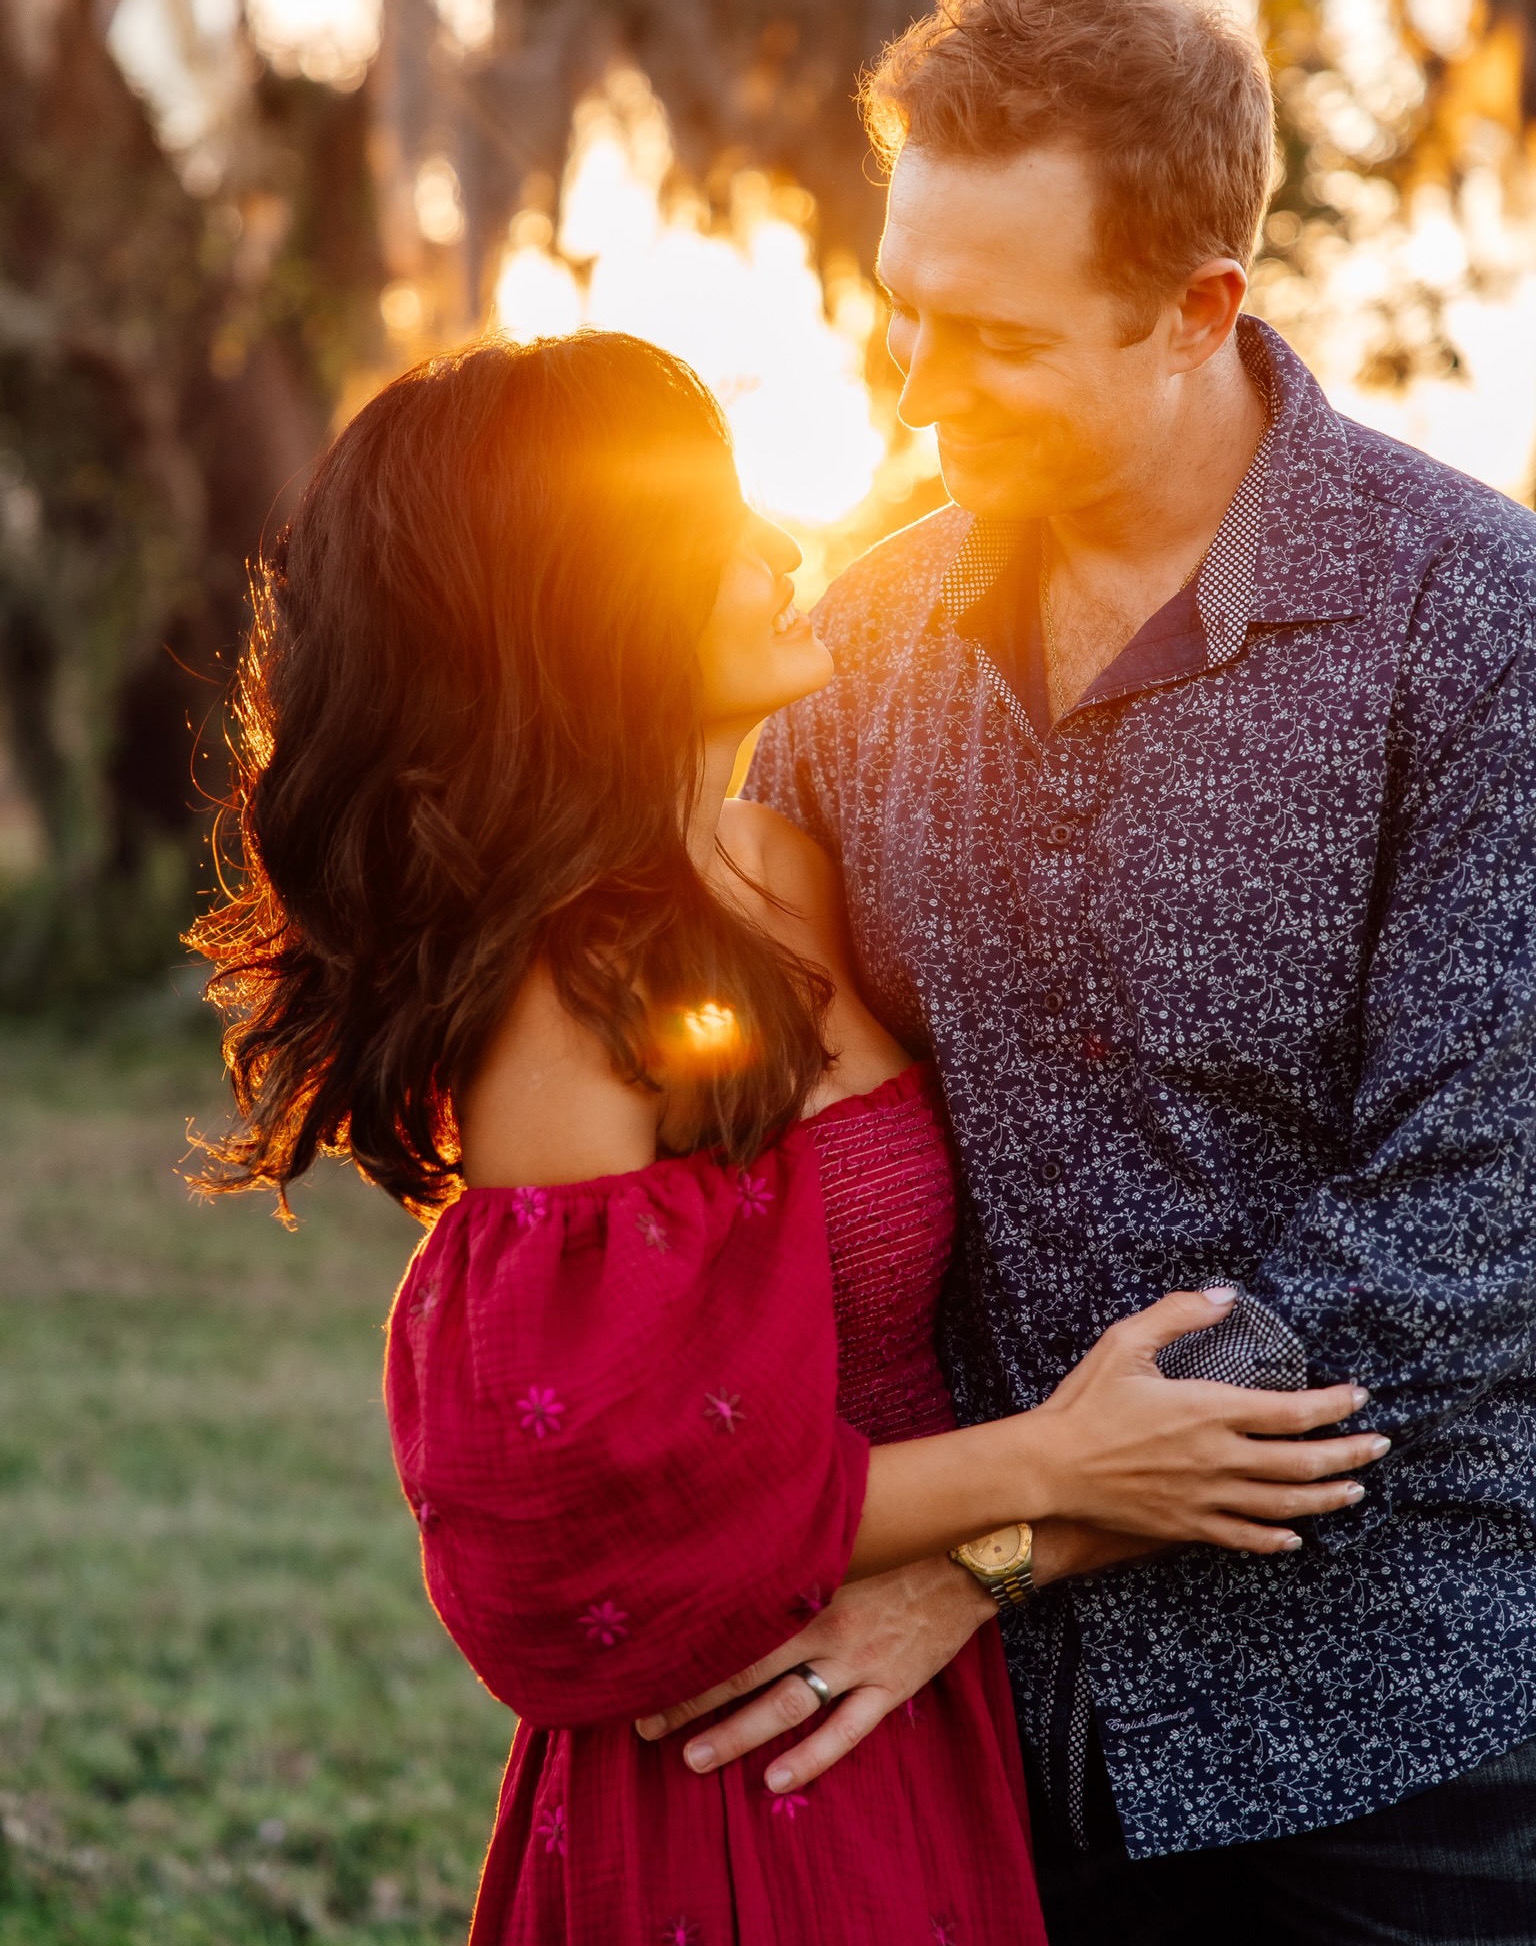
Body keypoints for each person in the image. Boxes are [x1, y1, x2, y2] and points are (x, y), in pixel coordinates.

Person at [187, 332, 1382, 1945]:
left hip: (923, 1705)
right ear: (578, 603)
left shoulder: (781, 865)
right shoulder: (566, 995)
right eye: (708, 531)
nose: (780, 549)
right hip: (748, 1757)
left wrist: (1025, 1536)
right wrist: (1054, 1465)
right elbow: (594, 1504)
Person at [671, 0, 1536, 1941]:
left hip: (1386, 1738)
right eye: (903, 317)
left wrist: (1004, 1542)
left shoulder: (1475, 629)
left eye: (989, 340)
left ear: (1195, 311)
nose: (914, 389)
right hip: (959, 1743)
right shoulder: (856, 651)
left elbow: (1475, 1214)